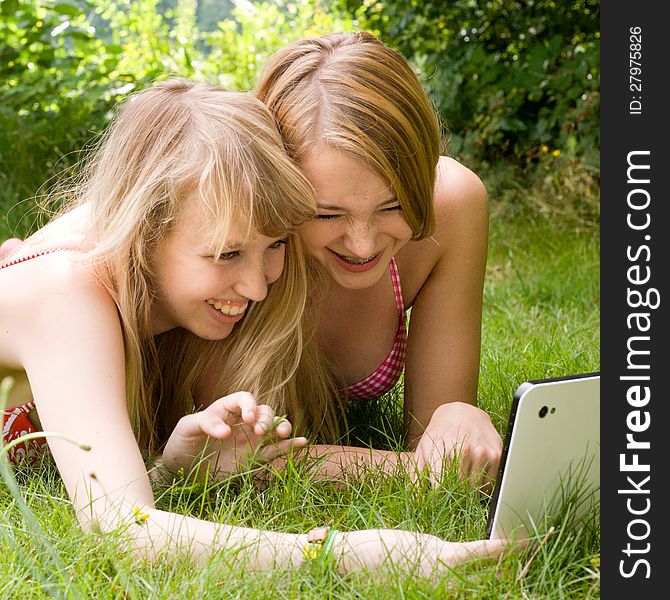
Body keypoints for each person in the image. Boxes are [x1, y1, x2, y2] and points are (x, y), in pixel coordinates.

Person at [0, 77, 509, 574]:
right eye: (226, 254)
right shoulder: (69, 292)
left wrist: (172, 470)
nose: (258, 288)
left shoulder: (128, 265)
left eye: (273, 246)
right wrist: (347, 554)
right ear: (146, 229)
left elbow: (114, 490)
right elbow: (122, 532)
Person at [254, 31, 503, 489]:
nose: (364, 245)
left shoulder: (452, 203)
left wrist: (457, 417)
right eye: (327, 213)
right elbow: (229, 459)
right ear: (276, 188)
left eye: (393, 206)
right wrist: (414, 470)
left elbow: (433, 442)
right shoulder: (244, 230)